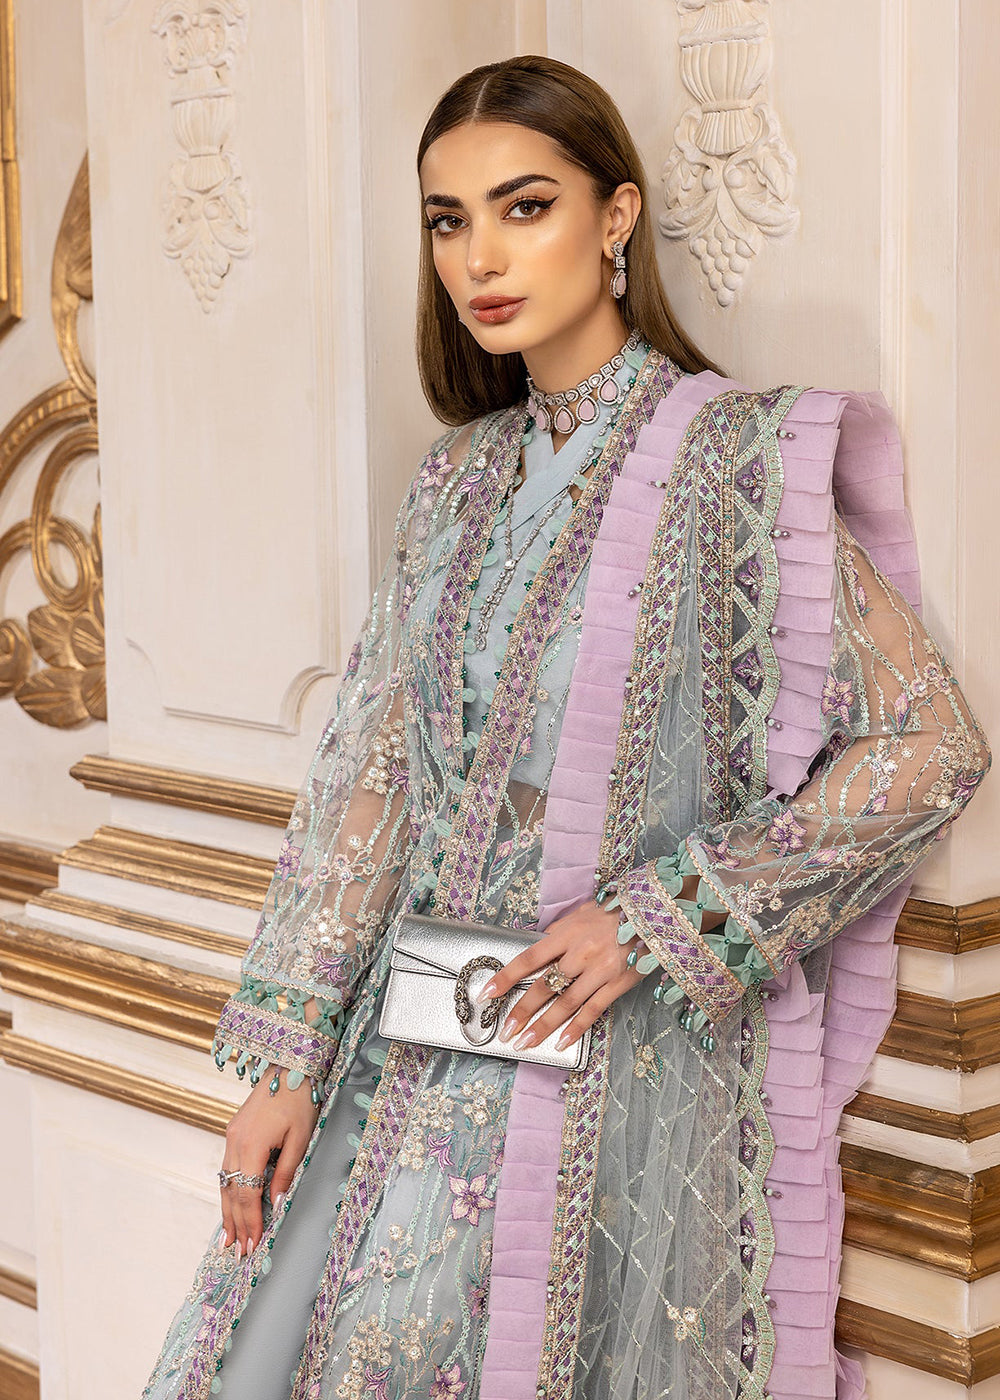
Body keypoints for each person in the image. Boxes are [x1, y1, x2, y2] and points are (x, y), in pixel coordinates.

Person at [142, 55, 990, 1400]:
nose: (479, 257)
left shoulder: (733, 466)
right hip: (402, 1050)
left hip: (609, 1069)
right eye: (448, 220)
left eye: (524, 206)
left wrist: (660, 916)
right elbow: (374, 777)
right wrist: (286, 1064)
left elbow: (927, 745)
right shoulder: (456, 481)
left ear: (616, 216)